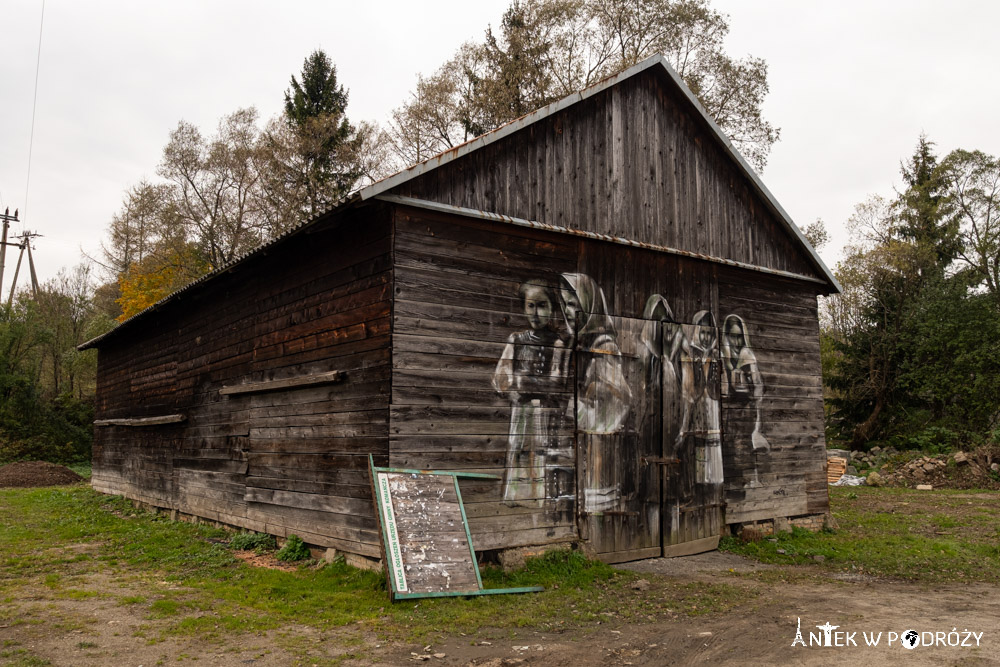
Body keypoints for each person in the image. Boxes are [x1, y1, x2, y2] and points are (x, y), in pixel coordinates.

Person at [559, 273, 631, 510]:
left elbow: (621, 395)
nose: (568, 311)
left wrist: (591, 391)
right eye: (565, 303)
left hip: (597, 438)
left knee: (597, 504)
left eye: (573, 304)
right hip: (582, 433)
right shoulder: (578, 343)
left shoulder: (603, 345)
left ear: (589, 305)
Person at [493, 280, 567, 505]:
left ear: (552, 309)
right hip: (521, 407)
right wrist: (513, 384)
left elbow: (557, 379)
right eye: (531, 306)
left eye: (542, 306)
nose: (536, 313)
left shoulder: (556, 344)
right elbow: (501, 376)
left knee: (542, 448)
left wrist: (528, 382)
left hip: (541, 409)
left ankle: (539, 496)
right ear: (524, 308)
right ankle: (516, 496)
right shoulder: (517, 340)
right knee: (519, 448)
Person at [677, 310, 723, 486]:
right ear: (696, 332)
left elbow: (717, 389)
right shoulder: (689, 355)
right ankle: (701, 486)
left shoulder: (715, 355)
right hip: (697, 412)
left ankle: (714, 486)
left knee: (714, 454)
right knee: (700, 454)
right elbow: (690, 392)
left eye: (709, 333)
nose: (705, 337)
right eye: (702, 332)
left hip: (713, 411)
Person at [721, 314, 769, 452]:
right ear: (727, 336)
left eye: (739, 336)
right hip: (728, 417)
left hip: (748, 416)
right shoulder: (723, 358)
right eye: (732, 336)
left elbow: (758, 388)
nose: (736, 342)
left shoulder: (749, 358)